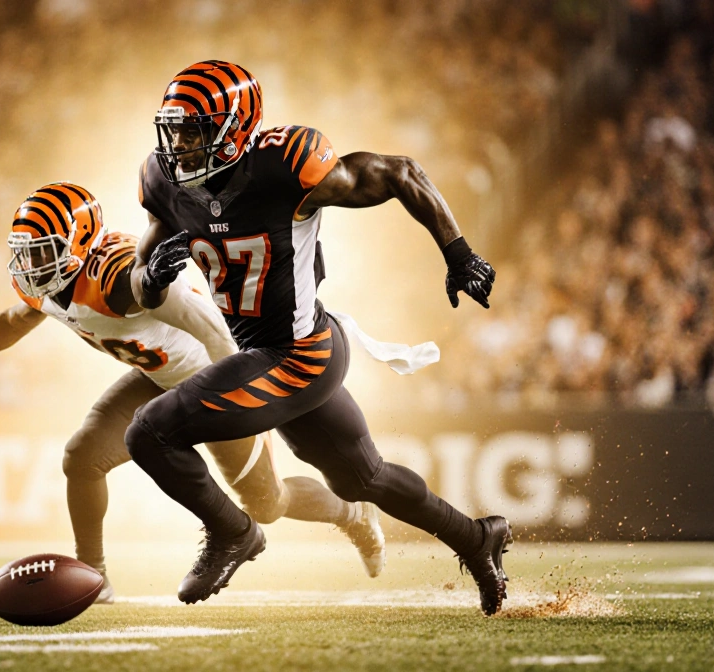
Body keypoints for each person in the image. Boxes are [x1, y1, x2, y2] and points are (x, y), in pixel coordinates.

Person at [126, 61, 511, 615]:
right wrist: (154, 276)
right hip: (277, 356)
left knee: (149, 433)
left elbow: (400, 171)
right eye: (174, 129)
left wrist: (460, 254)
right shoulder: (164, 184)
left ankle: (235, 532)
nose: (180, 145)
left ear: (236, 128)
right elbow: (143, 289)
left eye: (195, 130)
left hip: (299, 354)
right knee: (363, 480)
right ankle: (478, 538)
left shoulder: (286, 166)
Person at [0, 182, 386, 603]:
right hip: (157, 379)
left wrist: (239, 392)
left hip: (213, 379)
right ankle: (94, 577)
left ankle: (352, 515)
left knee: (267, 505)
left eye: (43, 251)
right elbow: (19, 318)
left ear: (79, 245)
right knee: (82, 457)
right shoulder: (50, 282)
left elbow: (213, 330)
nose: (31, 265)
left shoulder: (119, 277)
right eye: (27, 251)